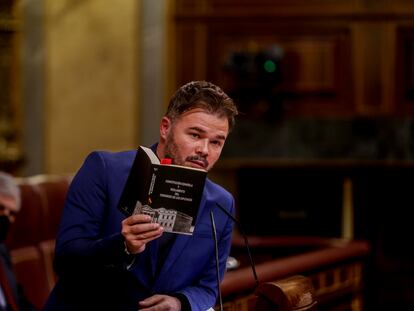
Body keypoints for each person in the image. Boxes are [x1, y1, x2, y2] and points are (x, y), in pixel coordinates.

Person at [43, 80, 239, 311]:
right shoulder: (104, 169)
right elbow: (66, 261)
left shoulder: (222, 203)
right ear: (165, 128)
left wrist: (180, 302)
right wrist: (122, 245)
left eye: (216, 142)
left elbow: (208, 287)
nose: (205, 150)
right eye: (195, 135)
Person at [0, 172, 37, 311]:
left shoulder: (2, 251)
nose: (6, 217)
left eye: (12, 214)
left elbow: (19, 301)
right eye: (1, 208)